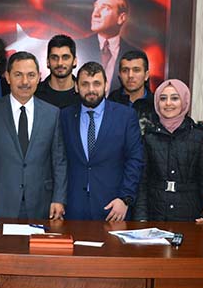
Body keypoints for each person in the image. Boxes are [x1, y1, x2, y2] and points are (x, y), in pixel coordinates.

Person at [0, 51, 67, 219]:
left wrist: (59, 198)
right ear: (8, 77)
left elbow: (59, 161)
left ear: (39, 77)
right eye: (18, 75)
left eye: (31, 75)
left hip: (41, 204)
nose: (25, 82)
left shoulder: (52, 114)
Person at [60, 62, 143, 221]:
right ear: (76, 87)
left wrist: (125, 199)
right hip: (72, 208)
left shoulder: (126, 116)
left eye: (97, 84)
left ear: (106, 85)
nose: (91, 90)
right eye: (85, 84)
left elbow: (135, 160)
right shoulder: (64, 116)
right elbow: (58, 160)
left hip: (113, 208)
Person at [133, 79, 203, 224]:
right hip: (155, 213)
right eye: (163, 98)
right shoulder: (149, 137)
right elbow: (143, 183)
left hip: (189, 214)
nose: (168, 103)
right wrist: (140, 217)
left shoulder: (198, 136)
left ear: (184, 101)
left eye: (174, 98)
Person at [76, 0, 135, 95]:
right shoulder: (78, 47)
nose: (95, 14)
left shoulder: (134, 55)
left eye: (105, 8)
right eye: (95, 7)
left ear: (121, 18)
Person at [108, 49, 156, 134]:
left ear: (146, 75)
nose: (130, 75)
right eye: (125, 70)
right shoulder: (110, 103)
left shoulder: (156, 104)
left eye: (136, 70)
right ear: (120, 75)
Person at [35, 34, 80, 109]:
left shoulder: (83, 93)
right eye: (54, 58)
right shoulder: (35, 93)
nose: (60, 63)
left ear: (75, 61)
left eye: (65, 57)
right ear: (48, 61)